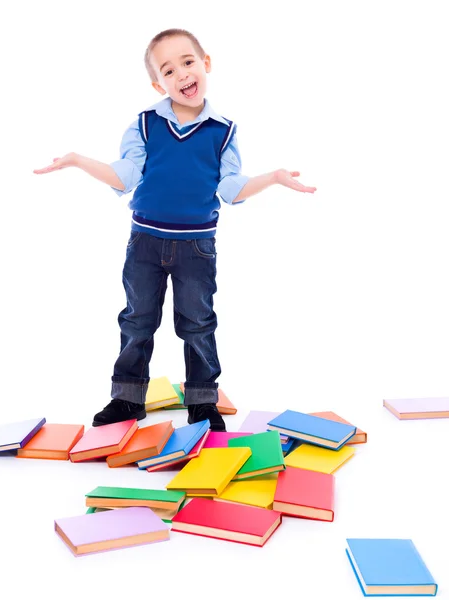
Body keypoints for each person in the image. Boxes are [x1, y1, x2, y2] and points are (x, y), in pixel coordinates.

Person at [34, 28, 316, 432]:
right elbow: (123, 175)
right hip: (145, 243)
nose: (182, 75)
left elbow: (232, 189)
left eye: (188, 62)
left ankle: (202, 402)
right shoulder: (146, 124)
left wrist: (272, 177)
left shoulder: (223, 131)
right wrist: (79, 160)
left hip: (196, 247)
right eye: (169, 70)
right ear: (157, 83)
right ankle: (128, 398)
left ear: (206, 64)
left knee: (198, 322)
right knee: (137, 319)